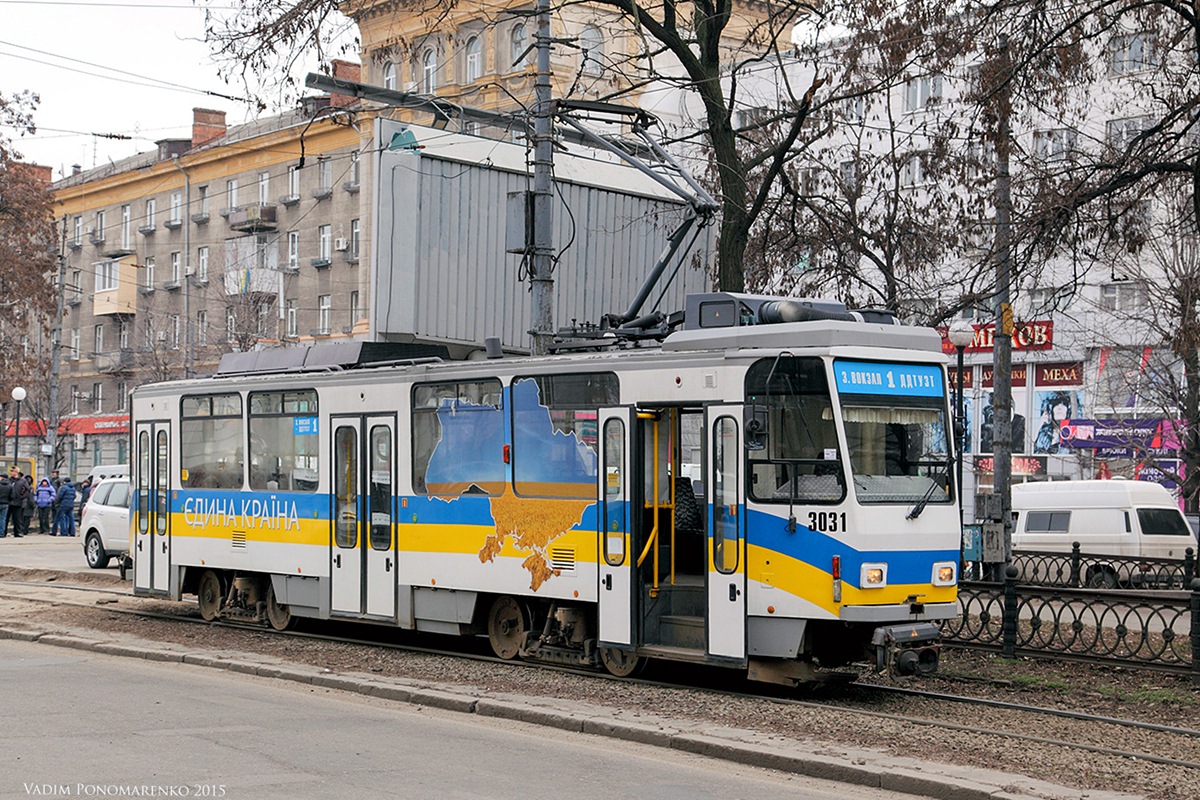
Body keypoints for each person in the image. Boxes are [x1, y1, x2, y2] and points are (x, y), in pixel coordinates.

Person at [9, 469, 26, 537]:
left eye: (12, 471)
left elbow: (26, 490)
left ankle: (18, 532)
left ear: (16, 472)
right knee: (6, 518)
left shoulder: (22, 481)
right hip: (9, 501)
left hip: (18, 502)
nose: (11, 473)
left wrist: (21, 496)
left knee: (17, 518)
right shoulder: (9, 480)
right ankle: (3, 532)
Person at [0, 473, 11, 538]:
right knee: (3, 519)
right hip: (6, 503)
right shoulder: (9, 485)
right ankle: (1, 533)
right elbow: (13, 495)